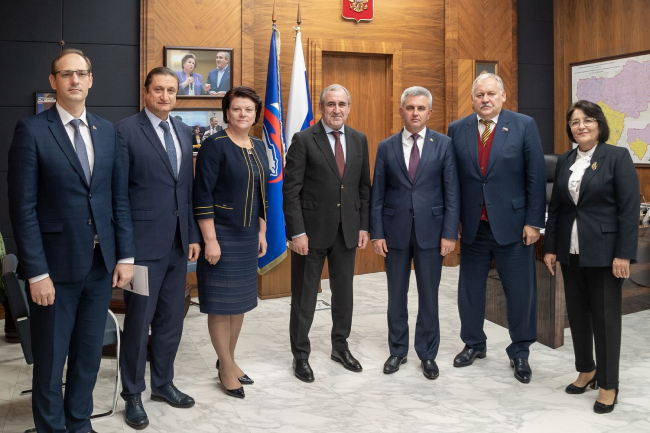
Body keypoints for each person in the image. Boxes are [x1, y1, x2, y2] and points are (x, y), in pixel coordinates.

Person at [7, 48, 135, 433]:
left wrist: (126, 255)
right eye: (66, 74)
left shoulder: (107, 131)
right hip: (54, 271)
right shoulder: (32, 131)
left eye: (81, 73)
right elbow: (23, 209)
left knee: (87, 356)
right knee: (50, 361)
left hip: (100, 266)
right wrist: (36, 273)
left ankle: (79, 423)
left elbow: (118, 199)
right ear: (54, 81)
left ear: (91, 79)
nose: (74, 80)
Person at [116, 66, 201, 429]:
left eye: (171, 90)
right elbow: (119, 196)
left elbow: (186, 189)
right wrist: (125, 251)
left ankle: (163, 384)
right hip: (141, 250)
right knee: (139, 323)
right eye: (159, 90)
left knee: (171, 319)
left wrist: (192, 235)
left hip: (178, 245)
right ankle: (133, 393)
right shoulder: (124, 132)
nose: (165, 96)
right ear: (146, 92)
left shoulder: (182, 130)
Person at [447, 73, 546, 384]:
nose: (485, 99)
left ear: (503, 96)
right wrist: (453, 221)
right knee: (470, 292)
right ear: (472, 99)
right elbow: (452, 181)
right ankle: (474, 344)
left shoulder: (524, 125)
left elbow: (536, 177)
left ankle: (520, 351)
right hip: (472, 227)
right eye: (479, 95)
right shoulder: (457, 129)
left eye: (491, 93)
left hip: (514, 227)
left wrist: (534, 222)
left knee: (519, 293)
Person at [544, 100, 639, 414]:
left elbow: (628, 210)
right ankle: (586, 369)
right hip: (571, 253)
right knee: (577, 315)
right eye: (575, 122)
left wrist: (623, 254)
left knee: (605, 320)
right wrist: (551, 248)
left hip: (604, 254)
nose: (581, 126)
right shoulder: (565, 160)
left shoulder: (616, 157)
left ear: (599, 124)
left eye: (587, 120)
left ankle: (609, 384)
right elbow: (557, 208)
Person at [370, 86, 460, 380]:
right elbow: (377, 194)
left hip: (432, 233)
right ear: (401, 111)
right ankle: (397, 350)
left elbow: (452, 192)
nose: (415, 113)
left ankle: (427, 354)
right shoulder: (386, 146)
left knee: (429, 297)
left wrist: (450, 233)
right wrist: (377, 233)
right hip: (394, 232)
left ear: (429, 112)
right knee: (396, 296)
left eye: (421, 108)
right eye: (410, 108)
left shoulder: (444, 144)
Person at [284, 84, 371, 382]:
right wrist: (297, 232)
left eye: (342, 104)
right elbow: (290, 191)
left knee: (344, 294)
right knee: (305, 296)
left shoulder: (359, 139)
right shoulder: (304, 139)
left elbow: (363, 188)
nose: (337, 109)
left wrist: (363, 225)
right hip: (310, 234)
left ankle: (340, 347)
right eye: (331, 104)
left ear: (349, 107)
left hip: (346, 232)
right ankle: (300, 355)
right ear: (321, 108)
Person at [193, 86, 269, 399]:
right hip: (221, 234)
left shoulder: (259, 145)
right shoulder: (214, 145)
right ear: (227, 112)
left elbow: (262, 195)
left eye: (248, 109)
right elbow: (202, 195)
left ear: (256, 114)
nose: (242, 114)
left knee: (239, 304)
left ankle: (229, 358)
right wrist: (210, 240)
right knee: (221, 306)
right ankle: (225, 367)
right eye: (236, 108)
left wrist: (262, 232)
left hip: (248, 234)